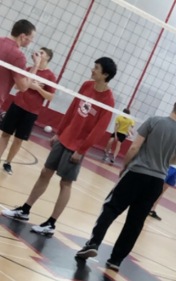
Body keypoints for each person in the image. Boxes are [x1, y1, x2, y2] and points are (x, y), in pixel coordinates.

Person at [75, 95, 176, 271]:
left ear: (174, 104)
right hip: (156, 182)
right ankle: (116, 260)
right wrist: (165, 157)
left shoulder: (154, 121)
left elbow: (134, 147)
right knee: (135, 222)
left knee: (111, 208)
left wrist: (125, 166)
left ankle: (93, 244)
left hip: (137, 173)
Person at [2, 57, 117, 236]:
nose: (92, 70)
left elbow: (99, 130)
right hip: (64, 138)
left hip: (77, 146)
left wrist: (81, 150)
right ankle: (25, 210)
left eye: (96, 68)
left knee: (65, 183)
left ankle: (51, 224)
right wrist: (59, 132)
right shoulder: (86, 85)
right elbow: (72, 109)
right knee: (45, 172)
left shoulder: (108, 100)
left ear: (105, 75)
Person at [0, 47, 56, 174]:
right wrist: (30, 84)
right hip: (17, 105)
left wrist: (37, 88)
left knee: (18, 139)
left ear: (47, 57)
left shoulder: (50, 76)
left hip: (31, 112)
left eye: (41, 53)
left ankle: (8, 163)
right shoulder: (30, 69)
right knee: (5, 134)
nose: (38, 53)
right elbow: (16, 85)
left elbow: (51, 97)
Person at [0, 19, 39, 112]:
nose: (31, 41)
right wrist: (36, 65)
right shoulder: (18, 56)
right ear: (23, 36)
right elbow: (23, 87)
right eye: (31, 37)